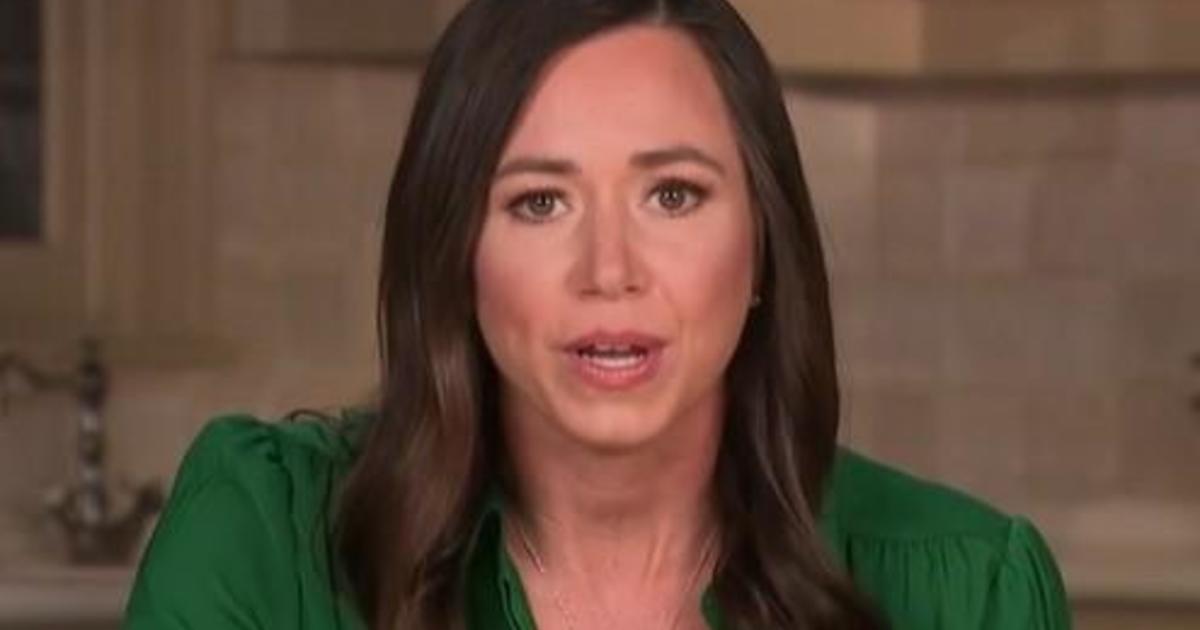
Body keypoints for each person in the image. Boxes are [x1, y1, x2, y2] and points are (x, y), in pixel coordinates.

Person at [123, 1, 1070, 629]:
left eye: (673, 195)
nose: (609, 271)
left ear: (762, 246)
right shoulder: (262, 542)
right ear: (455, 255)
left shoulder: (972, 594)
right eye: (539, 202)